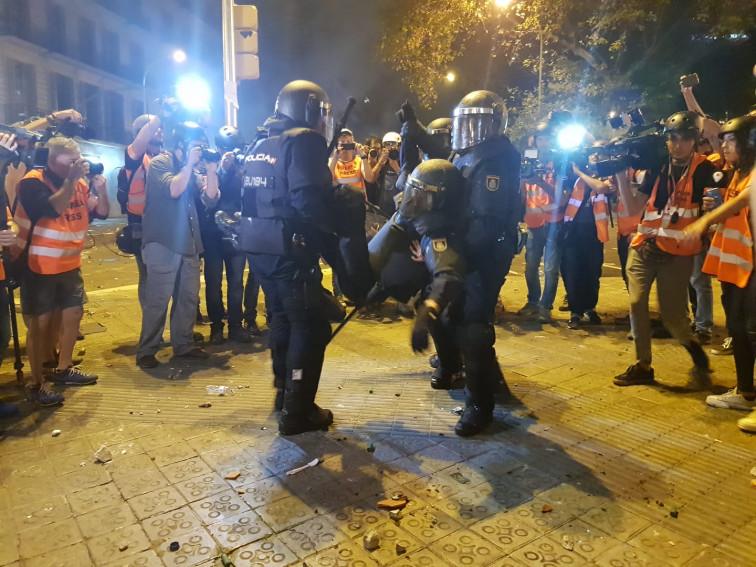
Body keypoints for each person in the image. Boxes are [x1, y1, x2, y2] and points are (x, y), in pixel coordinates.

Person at [239, 80, 369, 436]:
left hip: (259, 248)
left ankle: (283, 394)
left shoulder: (262, 142)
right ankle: (298, 412)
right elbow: (308, 201)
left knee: (281, 318)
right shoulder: (305, 140)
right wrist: (336, 232)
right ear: (310, 110)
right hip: (290, 250)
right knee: (309, 327)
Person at [613, 111, 723, 388]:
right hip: (644, 246)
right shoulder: (658, 166)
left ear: (695, 140)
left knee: (674, 319)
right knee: (637, 303)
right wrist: (619, 175)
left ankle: (691, 345)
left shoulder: (706, 170)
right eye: (673, 137)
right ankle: (643, 365)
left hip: (676, 255)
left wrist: (714, 208)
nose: (678, 144)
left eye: (685, 137)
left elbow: (721, 208)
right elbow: (636, 206)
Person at [441, 90, 521, 435]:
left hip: (485, 253)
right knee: (454, 318)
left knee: (473, 326)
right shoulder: (468, 155)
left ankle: (480, 406)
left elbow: (485, 223)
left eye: (476, 123)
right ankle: (491, 383)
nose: (469, 130)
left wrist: (456, 256)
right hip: (465, 250)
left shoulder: (496, 159)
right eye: (466, 122)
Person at [14, 136, 109, 405]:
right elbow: (53, 209)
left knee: (74, 314)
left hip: (70, 263)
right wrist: (72, 180)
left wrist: (101, 190)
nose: (79, 163)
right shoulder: (32, 182)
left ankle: (64, 368)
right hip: (38, 265)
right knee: (39, 325)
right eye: (72, 159)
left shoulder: (79, 182)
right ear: (53, 161)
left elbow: (101, 212)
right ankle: (36, 382)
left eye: (79, 157)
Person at [682, 115, 756, 427]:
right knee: (738, 331)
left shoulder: (752, 176)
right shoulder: (733, 174)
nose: (723, 145)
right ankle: (745, 392)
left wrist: (706, 221)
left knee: (751, 333)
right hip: (735, 268)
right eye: (723, 139)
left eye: (730, 140)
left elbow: (746, 199)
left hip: (751, 270)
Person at [136, 122, 219, 368]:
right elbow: (174, 189)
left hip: (190, 245)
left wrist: (212, 171)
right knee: (158, 300)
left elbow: (211, 199)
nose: (201, 150)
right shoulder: (160, 163)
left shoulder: (191, 170)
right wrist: (189, 165)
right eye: (197, 145)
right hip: (162, 243)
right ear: (181, 144)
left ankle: (183, 345)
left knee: (188, 299)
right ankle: (147, 350)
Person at [517, 112, 575, 322]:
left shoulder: (560, 163)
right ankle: (533, 301)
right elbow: (522, 193)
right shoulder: (527, 162)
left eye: (548, 138)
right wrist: (522, 182)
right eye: (540, 138)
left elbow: (561, 197)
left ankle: (545, 306)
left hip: (553, 222)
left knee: (551, 268)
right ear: (534, 140)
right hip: (533, 222)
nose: (544, 142)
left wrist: (539, 181)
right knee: (531, 267)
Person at [201, 125, 253, 345]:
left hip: (237, 233)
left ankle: (235, 326)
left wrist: (242, 173)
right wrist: (220, 169)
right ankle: (216, 328)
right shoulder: (210, 165)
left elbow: (250, 196)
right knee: (213, 283)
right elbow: (210, 197)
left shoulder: (245, 168)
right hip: (213, 234)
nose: (233, 154)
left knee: (236, 282)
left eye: (237, 149)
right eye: (228, 150)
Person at [562, 151, 613, 329]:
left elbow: (601, 187)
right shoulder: (574, 179)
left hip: (593, 235)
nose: (594, 159)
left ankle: (589, 308)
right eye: (592, 156)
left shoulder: (607, 178)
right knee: (573, 273)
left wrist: (581, 174)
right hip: (573, 234)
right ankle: (575, 312)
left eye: (598, 157)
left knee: (592, 274)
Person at [120, 114, 163, 308]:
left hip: (163, 225)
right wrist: (158, 117)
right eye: (155, 130)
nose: (159, 132)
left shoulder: (162, 158)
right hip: (142, 227)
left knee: (165, 275)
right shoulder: (135, 157)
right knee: (148, 276)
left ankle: (164, 326)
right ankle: (152, 329)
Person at [374, 132, 402, 216]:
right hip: (384, 207)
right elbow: (372, 179)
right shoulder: (383, 162)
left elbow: (408, 184)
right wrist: (380, 162)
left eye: (394, 145)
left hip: (400, 207)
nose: (390, 148)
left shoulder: (405, 162)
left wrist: (397, 169)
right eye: (387, 145)